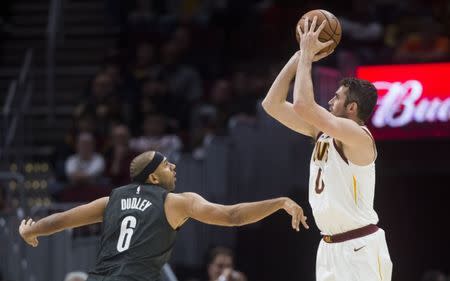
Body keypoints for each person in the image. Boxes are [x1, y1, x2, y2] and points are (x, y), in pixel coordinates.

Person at [19, 150, 308, 281]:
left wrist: (32, 230)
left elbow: (62, 220)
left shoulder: (112, 200)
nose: (174, 167)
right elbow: (231, 216)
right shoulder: (176, 202)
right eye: (167, 165)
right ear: (153, 178)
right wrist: (279, 202)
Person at [262, 16, 392, 281]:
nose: (331, 100)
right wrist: (299, 56)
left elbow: (302, 105)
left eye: (337, 97)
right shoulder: (321, 131)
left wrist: (309, 56)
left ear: (352, 108)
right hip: (328, 246)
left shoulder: (358, 136)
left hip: (360, 247)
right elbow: (272, 104)